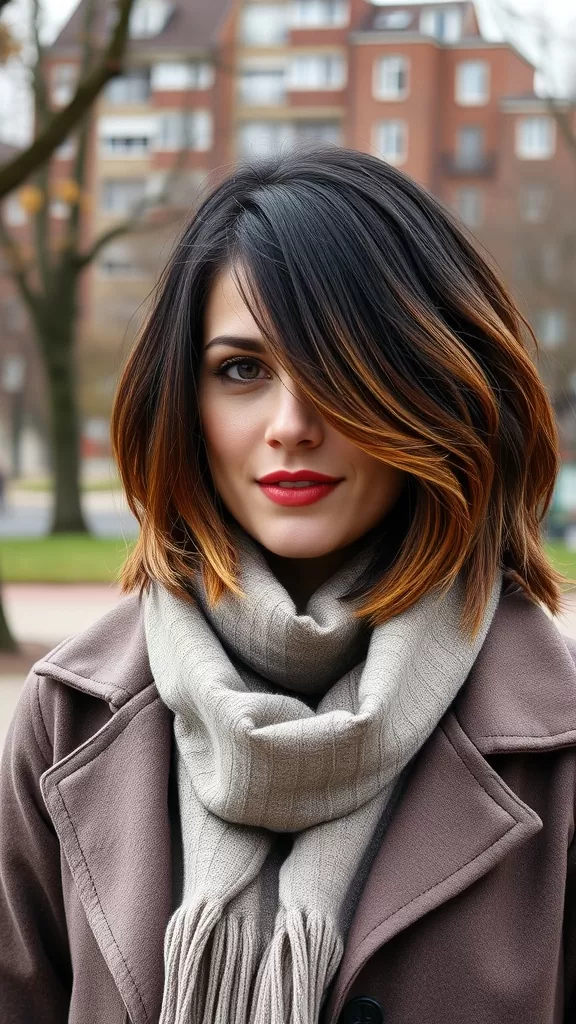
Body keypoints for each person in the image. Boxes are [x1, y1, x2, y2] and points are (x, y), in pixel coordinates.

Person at [1, 145, 575, 1024]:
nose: (291, 426)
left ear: (430, 385)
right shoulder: (68, 717)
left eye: (341, 369)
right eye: (242, 370)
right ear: (182, 400)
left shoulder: (561, 743)